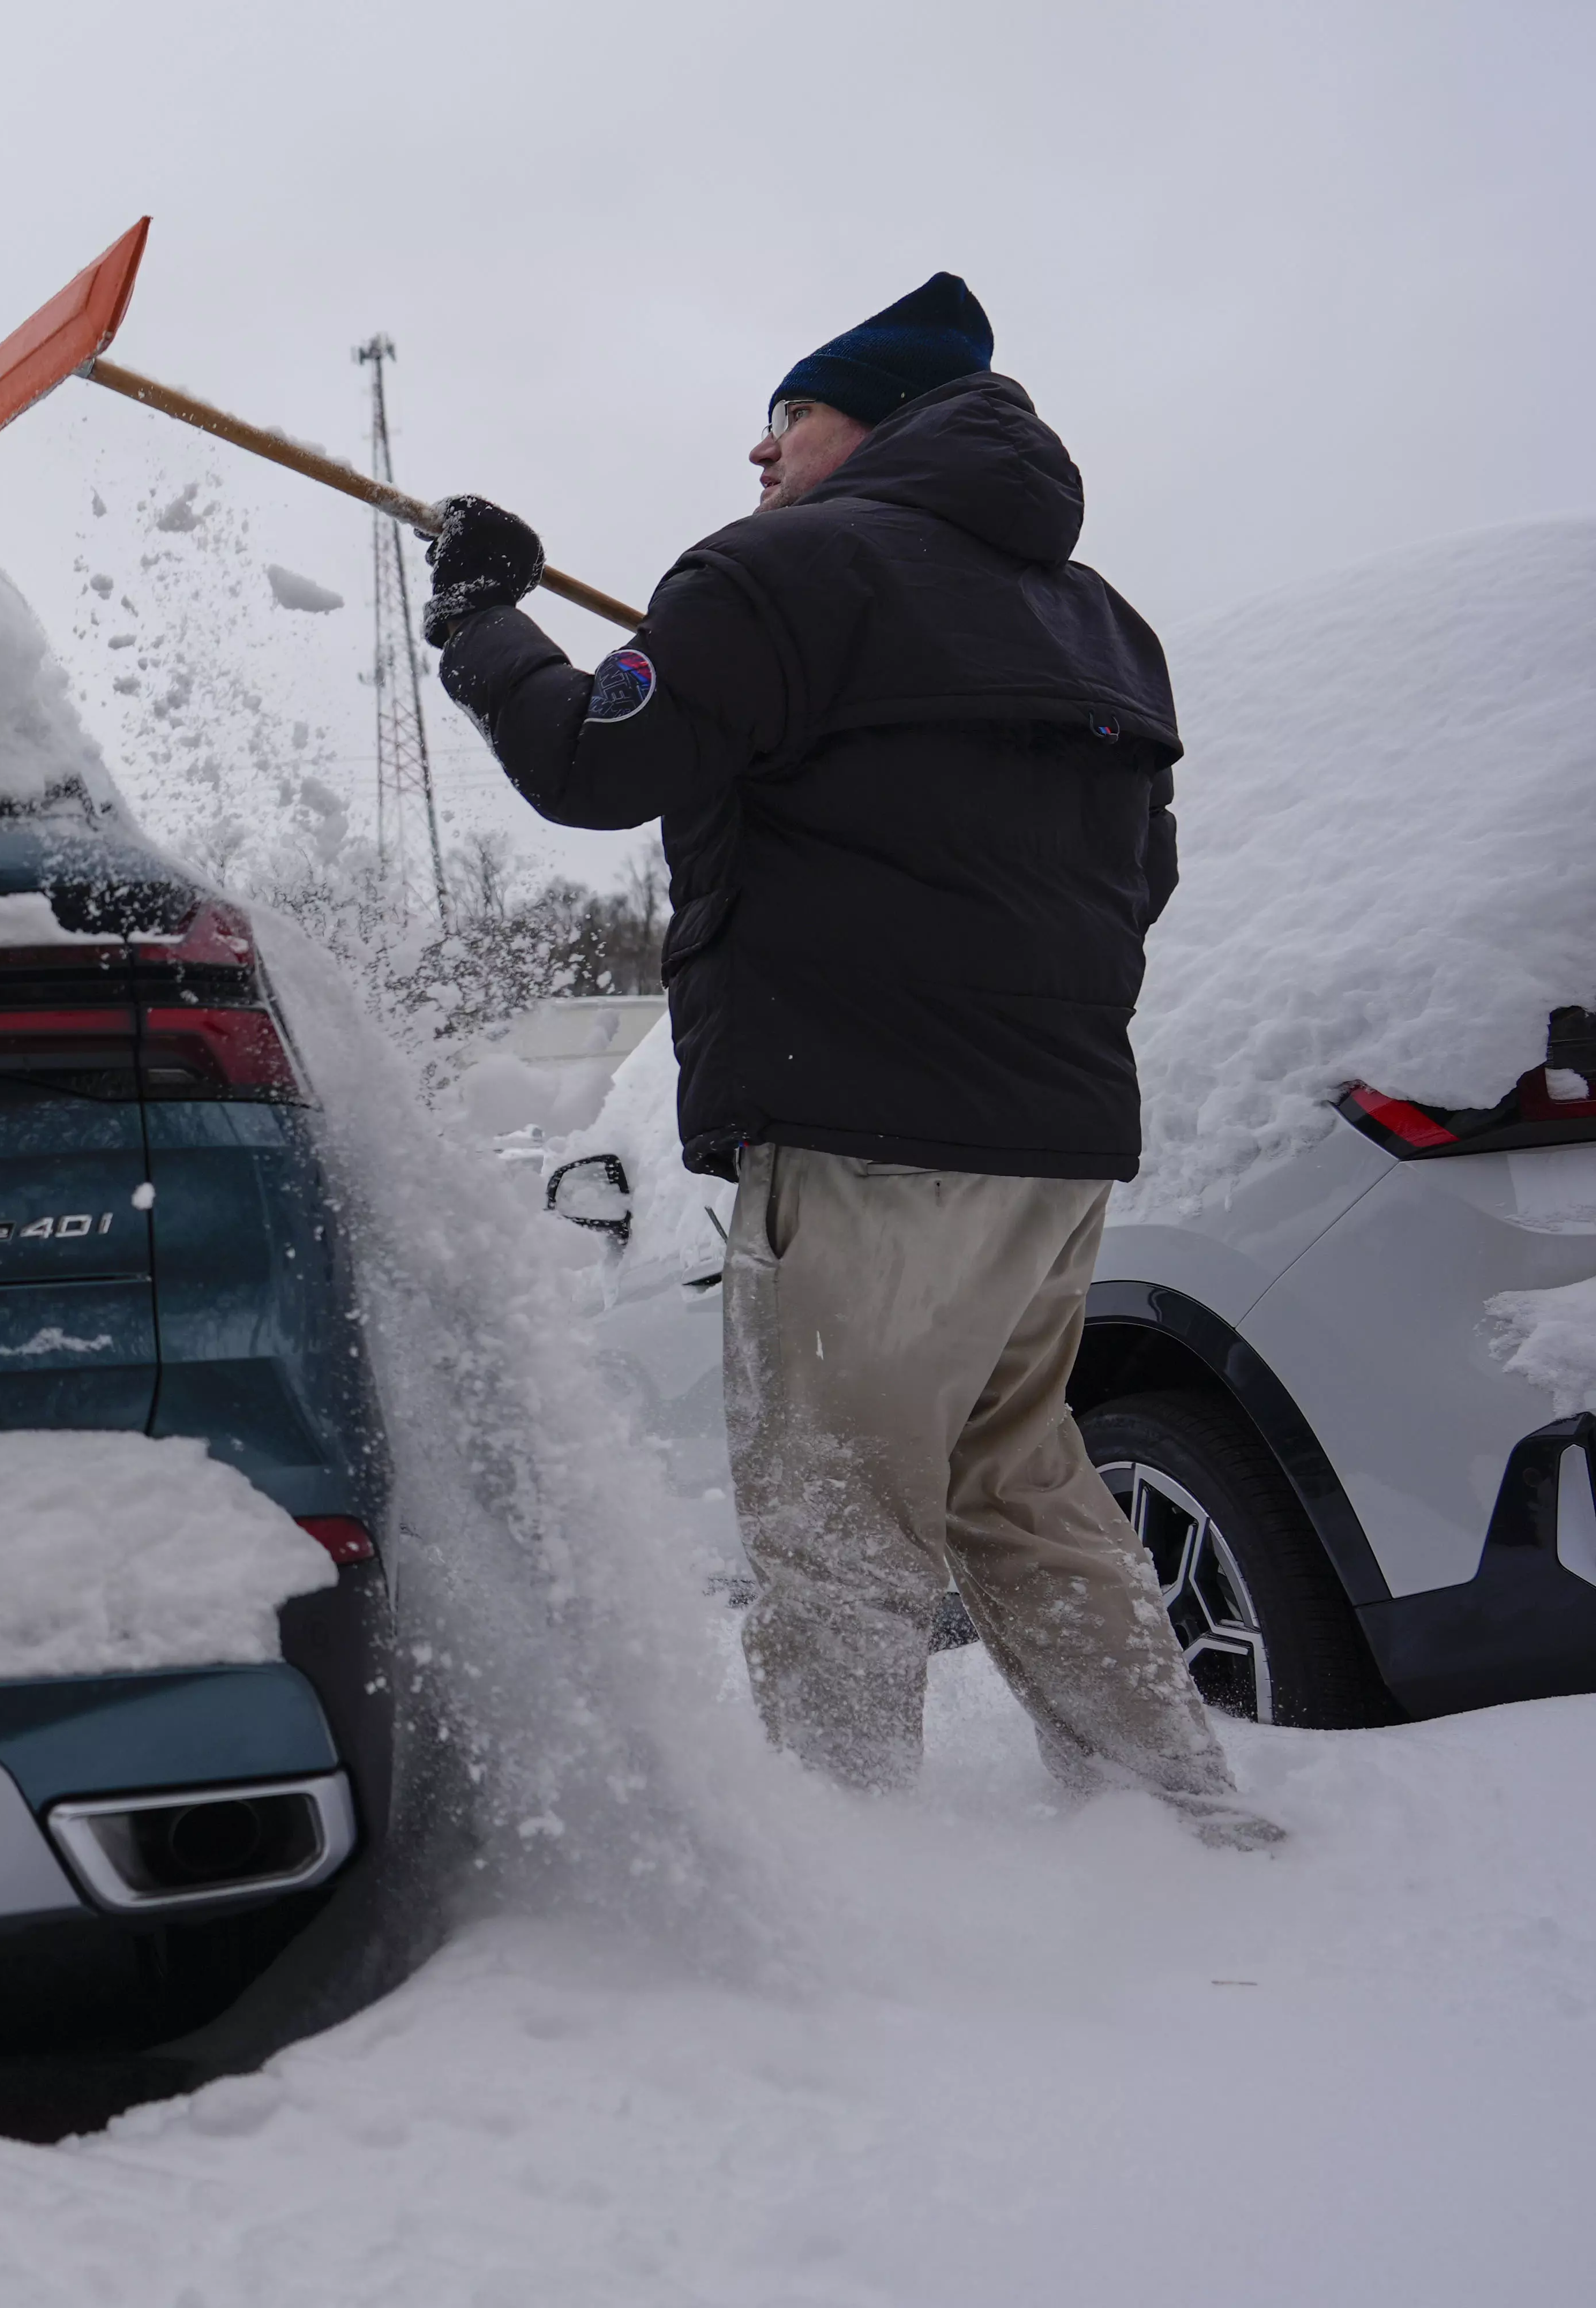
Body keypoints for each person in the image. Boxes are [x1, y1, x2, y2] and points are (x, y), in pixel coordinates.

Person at [422, 274, 1279, 1848]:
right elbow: (1133, 884)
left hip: (869, 1133)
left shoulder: (779, 577)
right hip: (1054, 1148)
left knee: (837, 1523)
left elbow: (591, 762)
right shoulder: (1105, 625)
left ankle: (849, 1886)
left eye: (791, 419)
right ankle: (1185, 1821)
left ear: (882, 425)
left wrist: (485, 623)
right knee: (1019, 1486)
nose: (759, 457)